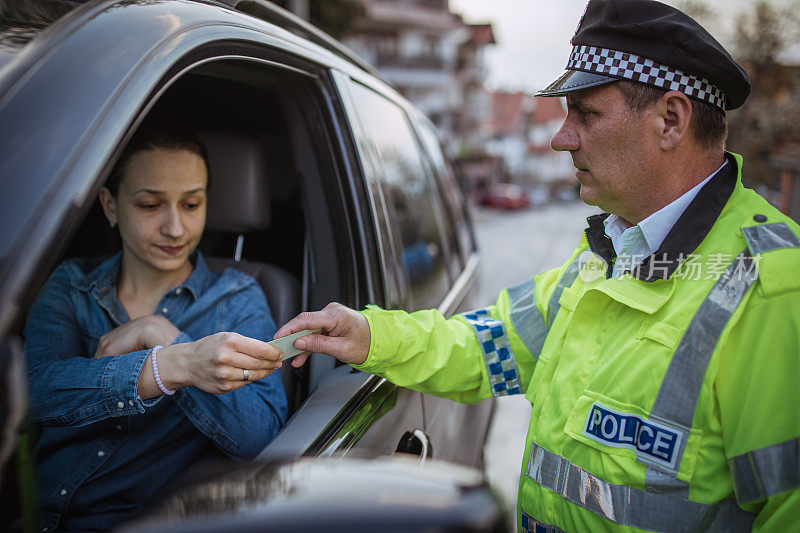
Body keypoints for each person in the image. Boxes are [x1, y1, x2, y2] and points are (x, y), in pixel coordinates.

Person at [275, 0, 800, 530]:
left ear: (670, 120)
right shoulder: (612, 252)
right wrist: (370, 335)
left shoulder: (775, 290)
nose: (559, 137)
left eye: (587, 114)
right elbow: (489, 346)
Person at [23, 118, 287, 532]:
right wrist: (163, 368)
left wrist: (171, 343)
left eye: (191, 204)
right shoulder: (71, 285)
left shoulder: (237, 298)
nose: (175, 228)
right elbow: (34, 393)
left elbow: (259, 436)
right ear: (110, 206)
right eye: (150, 205)